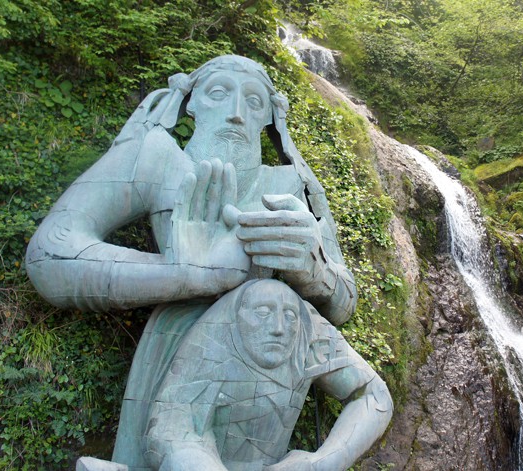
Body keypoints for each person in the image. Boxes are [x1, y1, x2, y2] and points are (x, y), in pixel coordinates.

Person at [25, 55, 366, 470]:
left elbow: (344, 301)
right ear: (192, 103)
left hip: (271, 372)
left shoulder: (292, 186)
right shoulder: (155, 157)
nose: (237, 113)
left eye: (254, 102)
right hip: (177, 361)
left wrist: (313, 270)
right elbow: (50, 254)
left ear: (269, 118)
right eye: (219, 93)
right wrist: (184, 275)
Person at [145, 279, 392, 471]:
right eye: (263, 312)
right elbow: (170, 433)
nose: (278, 328)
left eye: (289, 316)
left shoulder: (308, 330)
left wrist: (324, 461)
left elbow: (375, 396)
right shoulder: (212, 337)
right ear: (240, 314)